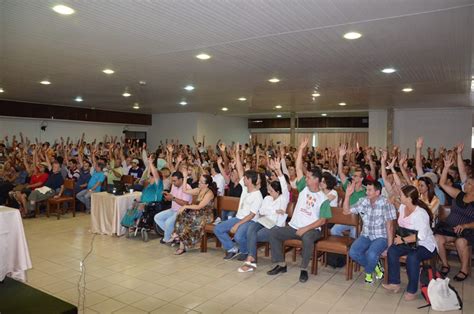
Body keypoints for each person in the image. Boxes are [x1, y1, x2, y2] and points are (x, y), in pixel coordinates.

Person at [267, 138, 331, 283]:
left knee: (307, 238)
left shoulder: (323, 199)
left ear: (316, 180)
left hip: (312, 230)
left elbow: (322, 220)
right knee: (274, 232)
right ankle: (281, 264)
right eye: (306, 177)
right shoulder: (303, 188)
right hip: (294, 227)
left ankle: (304, 269)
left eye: (308, 177)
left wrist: (305, 229)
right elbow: (298, 168)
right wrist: (301, 149)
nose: (305, 179)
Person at [382, 185, 437, 301]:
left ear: (409, 198)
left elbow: (420, 236)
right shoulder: (403, 207)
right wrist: (392, 197)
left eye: (401, 195)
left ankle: (412, 290)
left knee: (413, 257)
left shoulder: (421, 214)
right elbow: (394, 202)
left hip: (424, 245)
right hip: (409, 242)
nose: (399, 197)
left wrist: (402, 240)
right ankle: (394, 283)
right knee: (392, 250)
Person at [238, 158, 289, 272]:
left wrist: (278, 171)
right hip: (263, 221)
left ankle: (251, 259)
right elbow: (261, 212)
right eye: (269, 190)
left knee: (254, 235)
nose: (269, 193)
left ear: (278, 192)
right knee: (251, 228)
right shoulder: (267, 198)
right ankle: (251, 258)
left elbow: (284, 187)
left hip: (274, 225)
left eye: (271, 191)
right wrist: (273, 212)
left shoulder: (283, 199)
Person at [214, 143, 263, 260]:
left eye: (245, 178)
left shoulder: (257, 196)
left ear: (250, 180)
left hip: (250, 221)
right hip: (239, 217)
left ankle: (245, 251)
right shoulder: (246, 188)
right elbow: (240, 169)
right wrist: (236, 153)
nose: (243, 179)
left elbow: (251, 216)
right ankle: (232, 248)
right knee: (218, 229)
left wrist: (237, 224)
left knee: (238, 236)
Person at [344, 181, 396, 284]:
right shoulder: (363, 201)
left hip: (381, 237)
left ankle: (368, 273)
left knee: (371, 254)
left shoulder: (386, 203)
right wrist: (347, 195)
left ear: (377, 192)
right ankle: (375, 265)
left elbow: (390, 227)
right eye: (366, 189)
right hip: (366, 235)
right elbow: (346, 211)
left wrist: (389, 247)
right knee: (353, 252)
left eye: (369, 190)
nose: (366, 192)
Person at [435, 152, 474, 282]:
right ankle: (445, 264)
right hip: (450, 228)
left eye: (468, 184)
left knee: (460, 241)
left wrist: (465, 225)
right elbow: (442, 183)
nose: (465, 185)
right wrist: (446, 167)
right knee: (437, 238)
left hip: (467, 231)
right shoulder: (459, 194)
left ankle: (464, 269)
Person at [172, 172, 217, 255]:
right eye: (199, 181)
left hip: (206, 215)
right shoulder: (198, 190)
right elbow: (184, 190)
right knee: (182, 216)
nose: (199, 183)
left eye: (201, 182)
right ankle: (178, 236)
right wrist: (185, 177)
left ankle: (181, 241)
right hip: (197, 213)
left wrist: (185, 206)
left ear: (206, 185)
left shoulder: (209, 193)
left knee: (189, 221)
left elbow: (199, 206)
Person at [331, 144, 366, 238]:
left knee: (354, 234)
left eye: (355, 176)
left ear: (361, 179)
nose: (353, 177)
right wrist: (341, 156)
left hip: (359, 220)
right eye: (353, 175)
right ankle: (345, 246)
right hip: (346, 217)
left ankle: (351, 249)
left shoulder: (366, 191)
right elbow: (340, 172)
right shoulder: (349, 186)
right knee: (333, 231)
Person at [154, 171, 192, 243]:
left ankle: (167, 238)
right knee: (157, 217)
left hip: (182, 211)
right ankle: (174, 235)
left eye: (175, 181)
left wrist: (173, 198)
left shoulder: (187, 187)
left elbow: (185, 204)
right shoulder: (174, 186)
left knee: (168, 222)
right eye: (172, 181)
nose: (173, 183)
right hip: (173, 209)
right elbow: (171, 196)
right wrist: (167, 196)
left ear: (181, 179)